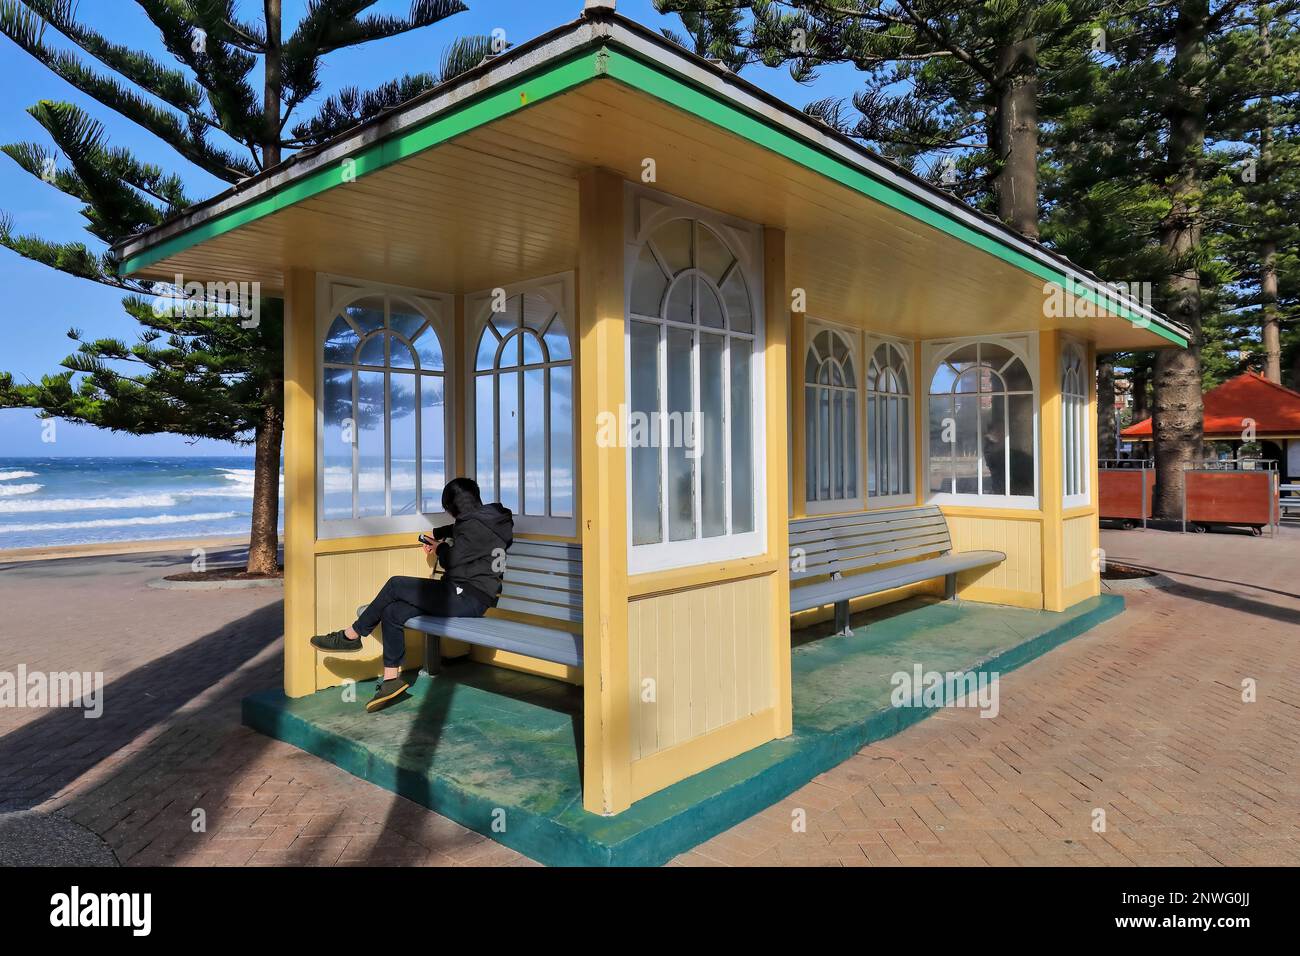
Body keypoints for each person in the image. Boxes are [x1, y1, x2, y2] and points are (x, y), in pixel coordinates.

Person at [311, 478, 514, 712]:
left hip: (467, 598)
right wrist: (437, 534)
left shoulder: (472, 526)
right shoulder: (490, 519)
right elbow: (465, 532)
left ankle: (352, 634)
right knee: (393, 610)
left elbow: (452, 560)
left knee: (396, 585)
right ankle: (390, 680)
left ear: (453, 507)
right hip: (464, 594)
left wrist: (439, 548)